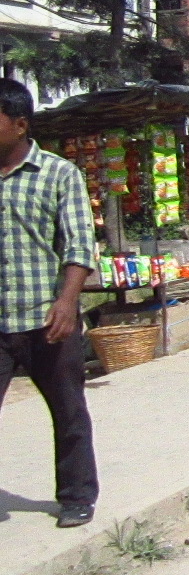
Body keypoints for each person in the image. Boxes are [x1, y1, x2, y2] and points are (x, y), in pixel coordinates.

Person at [0, 79, 99, 528]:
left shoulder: (59, 174)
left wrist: (66, 301)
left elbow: (80, 244)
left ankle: (76, 496)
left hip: (46, 318)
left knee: (68, 410)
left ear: (19, 125)